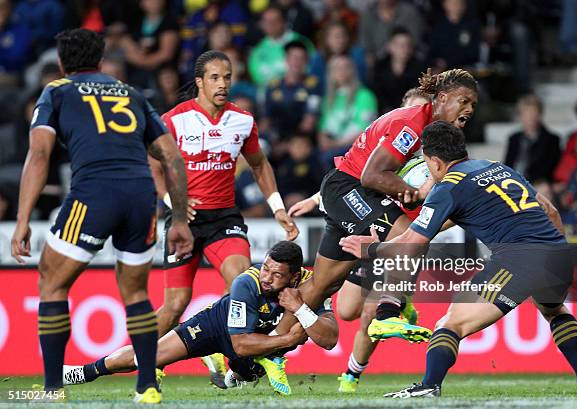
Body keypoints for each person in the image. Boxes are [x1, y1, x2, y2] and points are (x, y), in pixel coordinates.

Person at [339, 121, 577, 398]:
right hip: (559, 254)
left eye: (428, 165)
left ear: (434, 161)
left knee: (451, 324)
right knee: (554, 311)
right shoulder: (496, 167)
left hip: (519, 259)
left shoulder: (448, 188)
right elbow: (549, 210)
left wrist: (370, 250)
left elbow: (413, 243)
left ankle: (430, 385)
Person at [10, 29, 193, 403]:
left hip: (94, 194)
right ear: (100, 58)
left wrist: (23, 218)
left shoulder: (56, 91)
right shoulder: (131, 93)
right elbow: (172, 156)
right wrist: (180, 220)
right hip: (142, 196)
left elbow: (40, 155)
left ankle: (51, 389)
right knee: (137, 293)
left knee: (52, 284)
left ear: (62, 62)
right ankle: (147, 387)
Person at [272, 69, 478, 361]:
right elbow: (370, 175)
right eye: (464, 100)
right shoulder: (412, 125)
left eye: (473, 104)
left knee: (322, 286)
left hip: (349, 193)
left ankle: (266, 345)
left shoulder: (436, 133)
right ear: (442, 98)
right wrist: (408, 190)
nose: (469, 109)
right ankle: (388, 312)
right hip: (349, 190)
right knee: (411, 236)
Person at [150, 50, 299, 386]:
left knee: (243, 284)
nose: (223, 84)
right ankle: (150, 364)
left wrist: (277, 207)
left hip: (224, 218)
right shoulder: (174, 120)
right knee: (175, 305)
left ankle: (226, 357)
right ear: (200, 82)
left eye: (228, 77)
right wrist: (171, 204)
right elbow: (154, 165)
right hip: (183, 222)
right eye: (215, 77)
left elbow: (260, 165)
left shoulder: (242, 121)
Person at [288, 88, 431, 393]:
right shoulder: (392, 144)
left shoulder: (428, 160)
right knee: (347, 310)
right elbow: (354, 173)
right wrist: (316, 199)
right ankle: (273, 342)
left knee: (371, 312)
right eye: (413, 109)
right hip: (370, 227)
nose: (418, 118)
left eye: (423, 111)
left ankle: (351, 377)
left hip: (396, 240)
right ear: (401, 110)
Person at [62, 241, 338, 396]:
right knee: (149, 356)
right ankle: (81, 373)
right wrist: (287, 339)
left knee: (242, 374)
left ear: (294, 276)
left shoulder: (310, 287)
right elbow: (240, 344)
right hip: (218, 327)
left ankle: (232, 374)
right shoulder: (247, 283)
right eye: (265, 268)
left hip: (258, 345)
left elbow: (329, 339)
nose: (267, 278)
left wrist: (301, 309)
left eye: (276, 275)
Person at [318, 54, 377, 170]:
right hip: (332, 147)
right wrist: (324, 141)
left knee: (327, 159)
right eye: (337, 68)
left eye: (346, 67)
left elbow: (365, 130)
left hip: (354, 148)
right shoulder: (328, 99)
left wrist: (335, 144)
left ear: (352, 71)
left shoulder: (365, 96)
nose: (341, 71)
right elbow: (322, 129)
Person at [504, 94, 561, 182]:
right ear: (520, 116)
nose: (530, 117)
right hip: (513, 182)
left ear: (540, 115)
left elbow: (548, 169)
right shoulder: (514, 138)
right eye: (526, 114)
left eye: (533, 113)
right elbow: (507, 164)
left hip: (537, 183)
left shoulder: (552, 139)